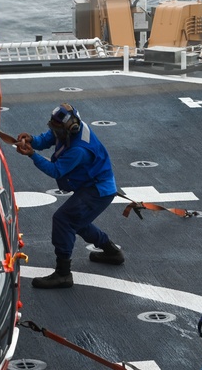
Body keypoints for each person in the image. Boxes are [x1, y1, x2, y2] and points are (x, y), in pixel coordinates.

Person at [16, 102, 123, 289]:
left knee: (63, 219)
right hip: (93, 186)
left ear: (70, 127)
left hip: (97, 190)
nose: (54, 132)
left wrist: (32, 154)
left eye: (57, 128)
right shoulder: (70, 129)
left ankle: (63, 274)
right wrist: (33, 140)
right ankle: (111, 251)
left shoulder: (79, 150)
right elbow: (51, 137)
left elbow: (56, 170)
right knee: (77, 222)